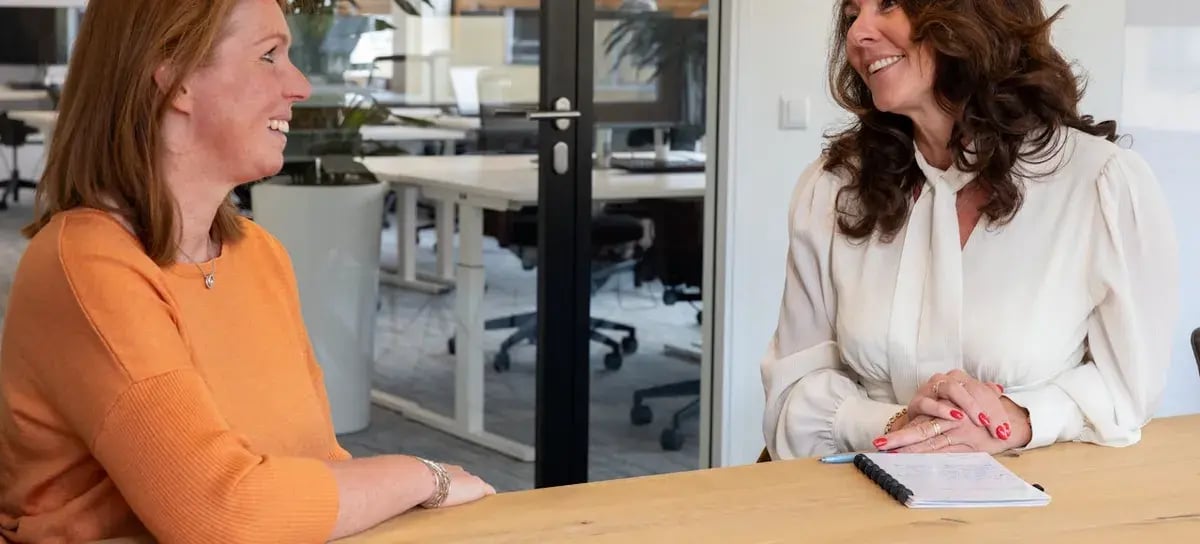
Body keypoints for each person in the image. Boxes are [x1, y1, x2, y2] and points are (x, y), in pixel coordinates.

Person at [0, 1, 494, 543]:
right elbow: (222, 517)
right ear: (177, 81)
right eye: (269, 56)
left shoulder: (259, 255)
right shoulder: (86, 264)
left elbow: (318, 469)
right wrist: (426, 475)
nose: (300, 85)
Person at [761, 0, 1179, 460]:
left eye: (889, 5)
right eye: (851, 14)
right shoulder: (832, 189)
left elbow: (1128, 387)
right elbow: (791, 392)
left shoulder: (1103, 185)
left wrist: (1017, 417)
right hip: (861, 499)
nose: (858, 33)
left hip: (1040, 507)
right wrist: (896, 424)